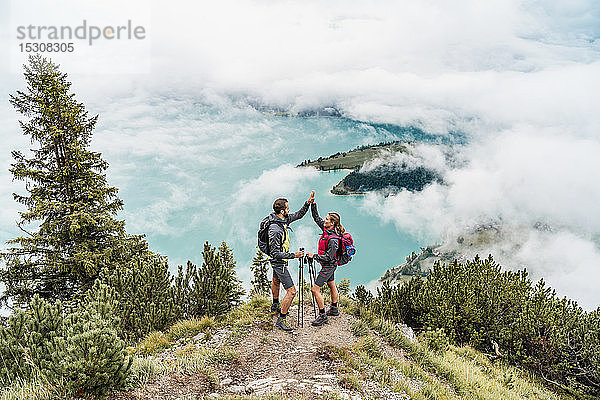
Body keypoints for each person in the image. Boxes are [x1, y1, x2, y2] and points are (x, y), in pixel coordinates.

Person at [268, 191, 315, 332]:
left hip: (277, 262)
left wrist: (308, 203)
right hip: (279, 262)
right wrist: (294, 255)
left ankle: (275, 305)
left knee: (276, 281)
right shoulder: (275, 230)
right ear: (282, 211)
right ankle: (281, 320)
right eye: (287, 208)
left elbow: (299, 214)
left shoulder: (282, 219)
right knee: (292, 291)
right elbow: (275, 253)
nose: (289, 210)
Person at [306, 194, 343, 327]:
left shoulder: (333, 239)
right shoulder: (326, 229)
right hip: (329, 265)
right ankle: (334, 308)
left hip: (328, 265)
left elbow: (329, 257)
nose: (324, 220)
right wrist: (313, 204)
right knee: (331, 284)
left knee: (315, 290)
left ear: (332, 223)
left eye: (327, 219)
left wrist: (313, 256)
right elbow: (316, 218)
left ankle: (322, 316)